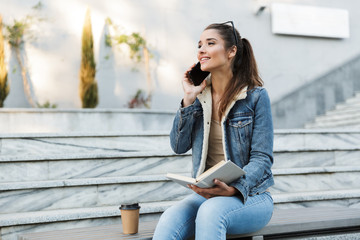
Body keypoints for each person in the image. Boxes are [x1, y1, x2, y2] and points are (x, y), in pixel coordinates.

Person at [153, 21, 274, 240]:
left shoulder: (255, 97)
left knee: (211, 212)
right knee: (169, 218)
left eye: (210, 43)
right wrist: (188, 99)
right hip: (208, 193)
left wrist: (235, 188)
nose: (201, 50)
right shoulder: (199, 98)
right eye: (199, 45)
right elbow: (178, 146)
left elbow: (262, 159)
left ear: (231, 51)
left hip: (251, 196)